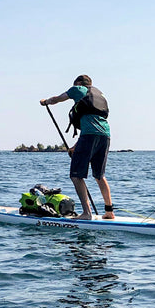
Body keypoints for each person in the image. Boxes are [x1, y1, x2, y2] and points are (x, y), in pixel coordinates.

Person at [40, 74, 114, 220]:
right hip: (105, 135)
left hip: (89, 136)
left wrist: (45, 101)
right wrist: (75, 146)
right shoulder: (100, 94)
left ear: (79, 83)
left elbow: (57, 99)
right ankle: (109, 212)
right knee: (99, 175)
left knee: (76, 175)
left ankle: (87, 213)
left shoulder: (78, 88)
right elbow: (92, 123)